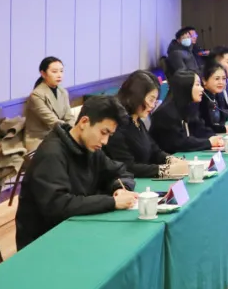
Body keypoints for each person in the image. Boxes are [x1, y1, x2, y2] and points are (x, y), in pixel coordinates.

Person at [15, 96, 137, 250]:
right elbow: (58, 206)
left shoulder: (91, 149)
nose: (105, 141)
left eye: (109, 135)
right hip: (45, 243)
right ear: (84, 122)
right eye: (103, 132)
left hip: (78, 231)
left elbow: (120, 172)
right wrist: (111, 202)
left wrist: (120, 188)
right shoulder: (52, 154)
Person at [105, 71, 189, 179]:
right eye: (151, 100)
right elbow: (127, 167)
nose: (153, 105)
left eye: (155, 101)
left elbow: (154, 150)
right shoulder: (117, 125)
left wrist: (171, 160)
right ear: (137, 96)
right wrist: (164, 170)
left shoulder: (137, 120)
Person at [149, 69, 226, 153]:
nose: (202, 89)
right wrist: (209, 142)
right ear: (186, 87)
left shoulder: (189, 107)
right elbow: (179, 142)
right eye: (197, 85)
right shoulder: (165, 113)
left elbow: (199, 130)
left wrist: (215, 138)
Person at [24, 56, 73, 151]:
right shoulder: (36, 95)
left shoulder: (63, 92)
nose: (59, 75)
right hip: (40, 139)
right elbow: (53, 121)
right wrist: (71, 131)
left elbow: (69, 117)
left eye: (61, 71)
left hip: (60, 135)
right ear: (43, 73)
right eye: (54, 72)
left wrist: (74, 130)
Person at [198, 61, 228, 136]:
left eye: (224, 78)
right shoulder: (201, 99)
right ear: (204, 80)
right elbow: (204, 128)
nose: (221, 82)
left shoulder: (217, 95)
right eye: (217, 79)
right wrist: (227, 128)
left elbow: (221, 119)